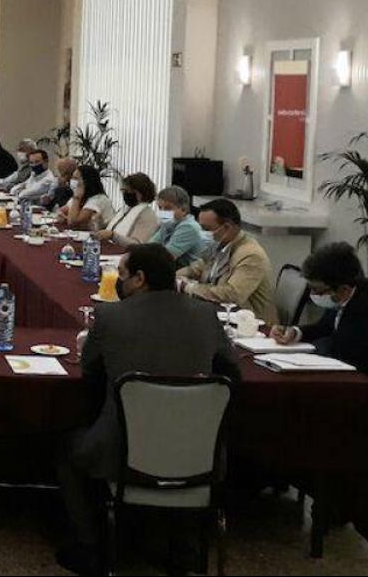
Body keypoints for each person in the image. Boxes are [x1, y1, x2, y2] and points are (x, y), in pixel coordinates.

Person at [56, 244, 240, 575]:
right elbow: (231, 373)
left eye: (122, 275)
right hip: (198, 455)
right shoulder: (205, 315)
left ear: (139, 279)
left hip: (120, 450)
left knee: (67, 449)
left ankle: (88, 546)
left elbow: (90, 374)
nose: (119, 282)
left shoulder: (110, 317)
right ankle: (183, 548)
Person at [272, 242, 368, 384]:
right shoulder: (345, 295)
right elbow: (325, 327)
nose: (312, 294)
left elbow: (343, 349)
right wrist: (295, 332)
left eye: (317, 290)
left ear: (343, 289)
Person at [177, 199, 278, 323]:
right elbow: (195, 269)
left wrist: (189, 288)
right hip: (216, 313)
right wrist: (172, 277)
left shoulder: (251, 255)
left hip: (250, 324)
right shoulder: (219, 245)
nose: (203, 234)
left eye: (207, 229)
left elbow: (232, 295)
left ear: (227, 227)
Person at [95, 172, 159, 246]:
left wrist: (113, 236)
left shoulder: (147, 216)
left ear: (139, 193)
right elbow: (112, 229)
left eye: (126, 191)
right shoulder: (124, 210)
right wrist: (99, 223)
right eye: (123, 191)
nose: (124, 194)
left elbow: (137, 245)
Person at [149, 185, 206, 267]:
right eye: (160, 208)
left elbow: (166, 257)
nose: (162, 212)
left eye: (168, 208)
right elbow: (149, 247)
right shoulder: (169, 224)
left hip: (187, 270)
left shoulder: (189, 227)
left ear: (183, 209)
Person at [56, 165, 115, 233]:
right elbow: (60, 211)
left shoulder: (98, 199)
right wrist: (63, 216)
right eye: (72, 178)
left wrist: (77, 198)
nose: (72, 181)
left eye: (76, 178)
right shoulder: (82, 196)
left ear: (86, 181)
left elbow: (72, 222)